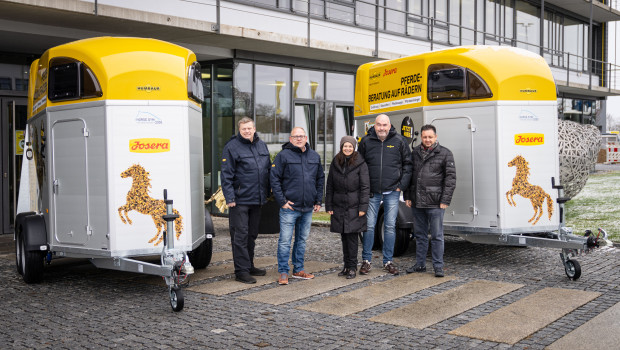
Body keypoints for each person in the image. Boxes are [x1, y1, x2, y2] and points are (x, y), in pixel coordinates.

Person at [358, 114, 412, 275]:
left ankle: (388, 261)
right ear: (374, 126)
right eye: (379, 125)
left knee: (389, 226)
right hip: (372, 192)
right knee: (368, 225)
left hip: (392, 192)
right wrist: (364, 186)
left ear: (390, 126)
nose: (381, 128)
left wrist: (400, 186)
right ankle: (366, 260)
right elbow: (359, 165)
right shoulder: (366, 142)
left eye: (384, 125)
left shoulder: (399, 141)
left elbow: (408, 165)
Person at [271, 127, 324, 285]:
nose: (299, 139)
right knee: (285, 241)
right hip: (290, 208)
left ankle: (298, 270)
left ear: (306, 138)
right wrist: (282, 201)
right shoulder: (283, 156)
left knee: (301, 240)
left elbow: (320, 179)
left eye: (301, 136)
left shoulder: (314, 156)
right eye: (296, 136)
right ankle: (283, 271)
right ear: (291, 138)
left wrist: (318, 201)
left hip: (307, 207)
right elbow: (274, 179)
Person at [220, 117, 271, 284]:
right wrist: (230, 198)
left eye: (249, 128)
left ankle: (249, 265)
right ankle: (241, 271)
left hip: (257, 199)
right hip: (240, 200)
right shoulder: (232, 147)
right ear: (239, 130)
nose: (247, 131)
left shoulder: (261, 145)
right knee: (240, 236)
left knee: (251, 235)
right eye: (244, 129)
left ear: (254, 128)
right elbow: (226, 175)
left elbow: (267, 170)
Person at [405, 124, 456, 277]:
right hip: (417, 202)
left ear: (436, 137)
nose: (427, 140)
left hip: (435, 203)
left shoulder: (445, 154)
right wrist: (408, 196)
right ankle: (420, 265)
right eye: (425, 137)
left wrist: (445, 200)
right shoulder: (414, 153)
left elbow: (451, 179)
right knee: (420, 235)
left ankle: (438, 266)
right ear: (421, 137)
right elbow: (409, 176)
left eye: (430, 137)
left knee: (437, 236)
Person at [325, 136, 370, 279]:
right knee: (344, 237)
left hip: (354, 206)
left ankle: (352, 267)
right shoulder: (336, 161)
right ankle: (346, 266)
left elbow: (365, 187)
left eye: (350, 146)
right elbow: (330, 185)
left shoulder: (360, 163)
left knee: (352, 238)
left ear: (354, 147)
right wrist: (329, 205)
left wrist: (363, 207)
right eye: (345, 146)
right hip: (339, 206)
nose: (347, 149)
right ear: (341, 146)